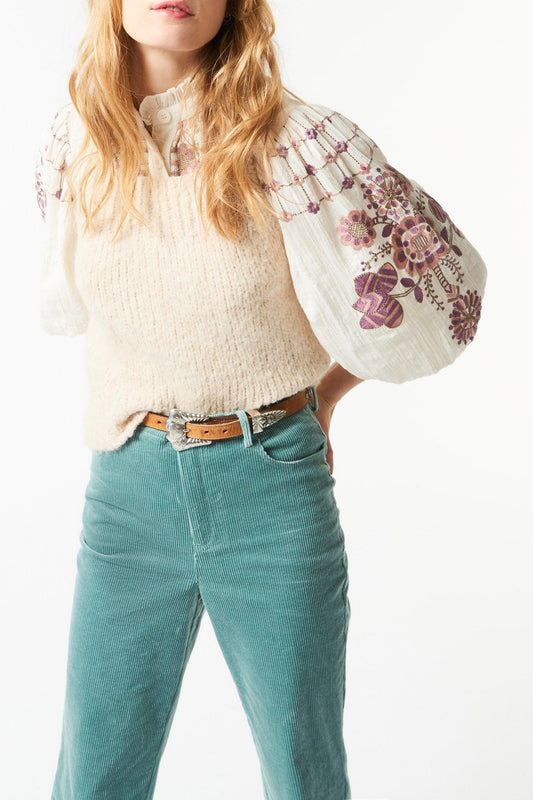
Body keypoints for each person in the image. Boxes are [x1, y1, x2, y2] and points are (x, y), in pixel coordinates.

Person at [34, 1, 487, 798]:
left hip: (270, 485)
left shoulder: (295, 143)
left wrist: (326, 397)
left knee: (301, 771)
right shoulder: (78, 143)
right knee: (94, 774)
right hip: (128, 494)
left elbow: (441, 290)